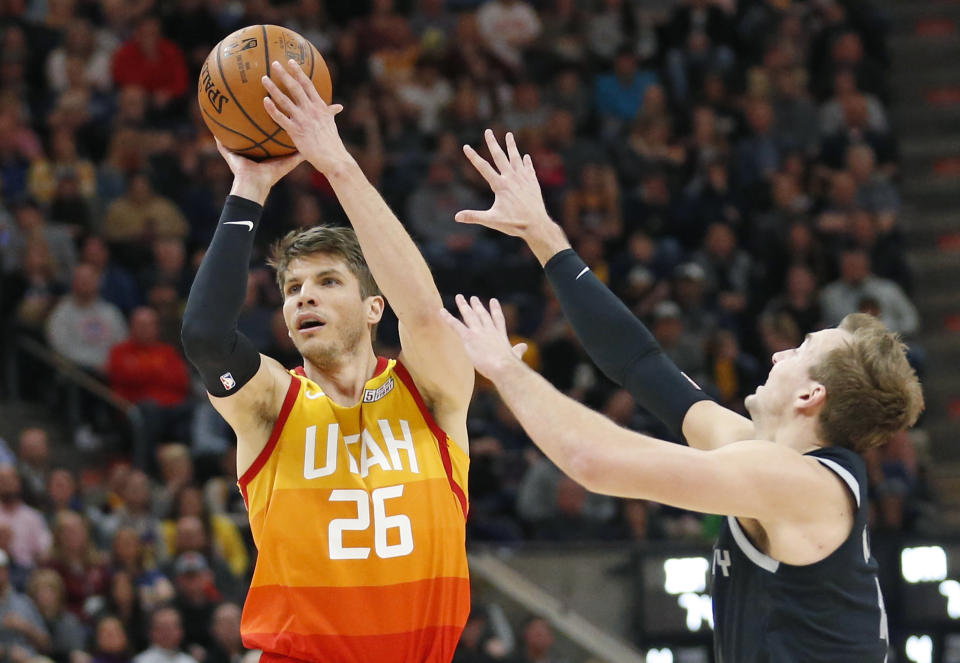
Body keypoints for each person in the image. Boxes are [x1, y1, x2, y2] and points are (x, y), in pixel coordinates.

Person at [441, 131, 925, 661]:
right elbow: (643, 365)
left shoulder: (801, 484)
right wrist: (542, 235)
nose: (777, 355)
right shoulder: (766, 455)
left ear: (812, 394)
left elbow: (594, 461)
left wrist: (507, 370)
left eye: (801, 349)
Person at [180, 59, 475, 663]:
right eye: (291, 289)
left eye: (327, 282)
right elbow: (207, 335)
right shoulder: (269, 403)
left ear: (373, 307)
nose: (304, 296)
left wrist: (335, 162)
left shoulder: (431, 391)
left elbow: (423, 313)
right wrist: (250, 188)